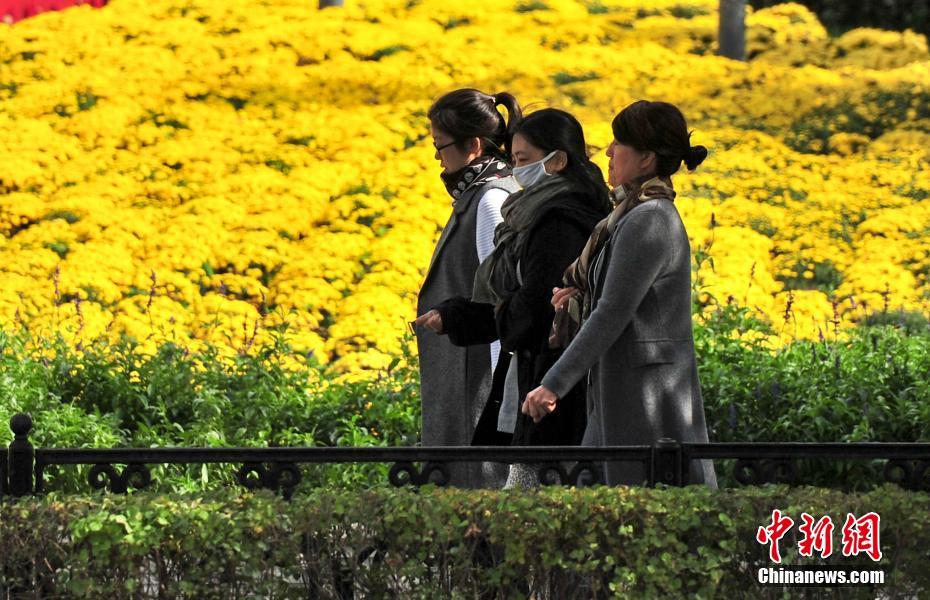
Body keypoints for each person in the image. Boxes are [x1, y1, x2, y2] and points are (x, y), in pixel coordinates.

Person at [523, 100, 718, 488]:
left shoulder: (648, 219)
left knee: (642, 508)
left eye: (618, 143)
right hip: (625, 387)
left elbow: (613, 311)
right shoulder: (630, 214)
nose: (608, 152)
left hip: (648, 396)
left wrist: (553, 384)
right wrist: (578, 296)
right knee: (608, 504)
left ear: (646, 158)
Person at [417, 108, 611, 488]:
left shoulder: (558, 220)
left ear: (556, 161)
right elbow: (516, 299)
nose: (515, 170)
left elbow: (535, 306)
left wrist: (478, 319)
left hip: (550, 387)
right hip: (535, 380)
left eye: (522, 160)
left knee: (532, 500)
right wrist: (456, 317)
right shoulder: (534, 213)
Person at [416, 88, 522, 488]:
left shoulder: (490, 200)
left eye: (440, 148)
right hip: (466, 381)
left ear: (473, 146)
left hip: (474, 388)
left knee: (474, 499)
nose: (438, 160)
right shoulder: (484, 192)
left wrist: (503, 401)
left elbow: (498, 305)